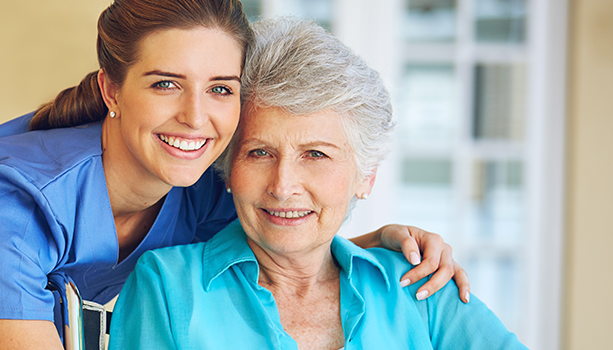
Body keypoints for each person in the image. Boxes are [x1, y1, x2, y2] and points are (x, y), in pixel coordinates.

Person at [0, 1, 468, 349]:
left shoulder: (200, 195)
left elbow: (286, 223)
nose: (197, 118)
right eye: (167, 84)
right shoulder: (6, 198)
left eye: (222, 88)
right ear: (111, 88)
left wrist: (378, 238)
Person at [108, 17, 524, 349]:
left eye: (316, 155)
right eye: (259, 152)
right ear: (229, 167)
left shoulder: (422, 286)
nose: (283, 185)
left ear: (366, 176)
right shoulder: (168, 286)